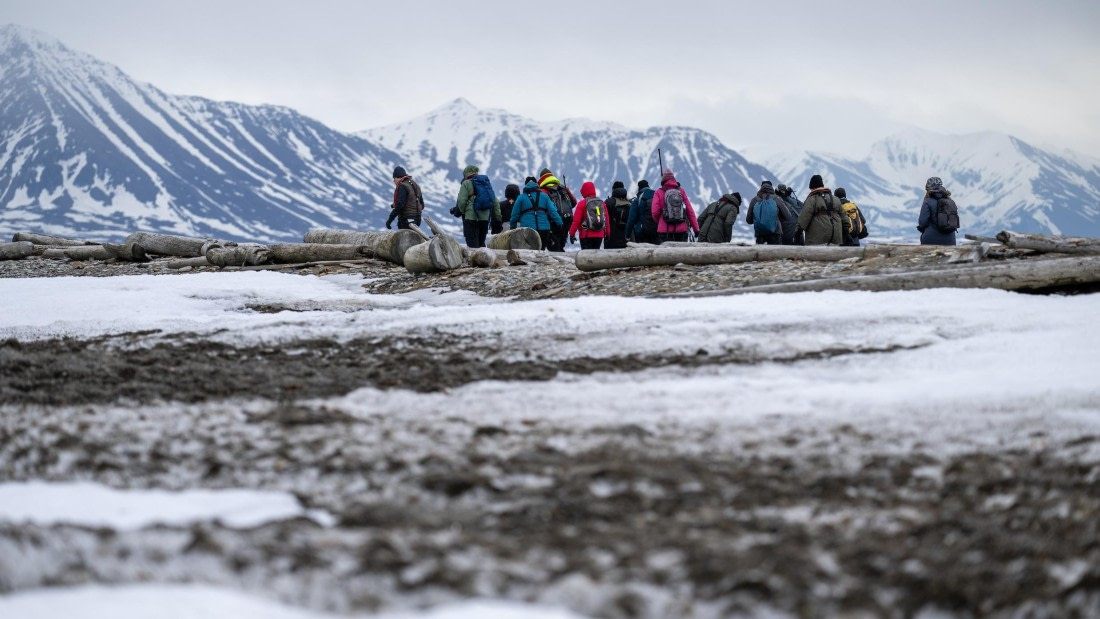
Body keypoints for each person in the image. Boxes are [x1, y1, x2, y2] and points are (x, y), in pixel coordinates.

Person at [453, 164, 502, 248]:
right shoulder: (486, 184)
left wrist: (462, 211)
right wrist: (497, 218)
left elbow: (461, 202)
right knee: (481, 243)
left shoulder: (466, 183)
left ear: (466, 174)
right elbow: (495, 202)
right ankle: (483, 259)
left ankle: (475, 260)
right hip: (485, 219)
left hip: (471, 218)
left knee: (472, 244)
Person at [510, 176, 563, 250]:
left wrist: (512, 228)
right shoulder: (545, 196)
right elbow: (553, 211)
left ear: (526, 185)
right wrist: (559, 223)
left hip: (527, 229)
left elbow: (514, 215)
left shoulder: (521, 197)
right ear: (537, 184)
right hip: (544, 229)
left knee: (529, 252)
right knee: (541, 251)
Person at [650, 169, 699, 243]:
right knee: (681, 253)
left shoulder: (658, 192)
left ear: (663, 181)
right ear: (674, 179)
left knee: (665, 254)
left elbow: (655, 212)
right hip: (681, 230)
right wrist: (696, 229)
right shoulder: (681, 191)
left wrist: (660, 221)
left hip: (664, 231)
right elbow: (689, 210)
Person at [796, 174, 846, 245]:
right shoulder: (835, 199)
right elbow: (844, 217)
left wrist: (798, 232)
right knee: (833, 255)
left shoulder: (812, 199)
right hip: (836, 234)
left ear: (812, 187)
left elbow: (804, 217)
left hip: (818, 237)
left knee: (817, 255)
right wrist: (846, 231)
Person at [537, 168, 577, 252]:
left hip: (552, 224)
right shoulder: (562, 188)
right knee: (560, 247)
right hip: (566, 222)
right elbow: (574, 202)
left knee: (554, 250)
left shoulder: (542, 191)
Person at [745, 180, 791, 245]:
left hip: (760, 233)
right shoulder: (777, 199)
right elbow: (788, 217)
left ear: (761, 188)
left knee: (760, 254)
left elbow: (748, 221)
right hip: (775, 232)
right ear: (771, 188)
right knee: (775, 254)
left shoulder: (754, 200)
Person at [917, 177, 959, 245]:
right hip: (950, 241)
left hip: (930, 240)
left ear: (928, 188)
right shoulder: (950, 201)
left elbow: (922, 222)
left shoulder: (928, 201)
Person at [568, 181, 609, 250]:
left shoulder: (582, 203)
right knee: (595, 257)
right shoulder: (602, 203)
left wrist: (572, 234)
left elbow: (576, 221)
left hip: (586, 235)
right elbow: (606, 220)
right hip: (599, 235)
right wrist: (607, 233)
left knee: (586, 258)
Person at [385, 166, 424, 230]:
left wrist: (390, 220)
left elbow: (400, 205)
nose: (393, 181)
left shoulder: (402, 186)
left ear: (397, 177)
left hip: (406, 220)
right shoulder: (415, 185)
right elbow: (422, 204)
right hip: (417, 220)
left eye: (394, 178)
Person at [625, 180, 659, 244]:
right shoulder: (656, 196)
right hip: (656, 230)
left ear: (639, 188)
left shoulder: (638, 200)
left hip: (641, 231)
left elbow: (631, 219)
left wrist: (627, 234)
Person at [603, 181, 631, 249]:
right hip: (626, 239)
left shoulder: (608, 202)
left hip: (611, 238)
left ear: (613, 190)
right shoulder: (629, 203)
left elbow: (603, 219)